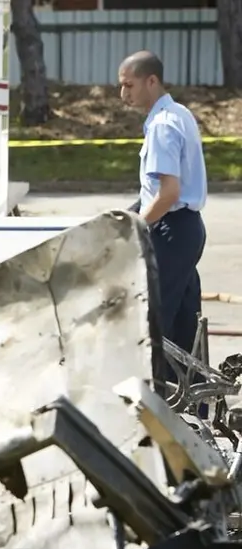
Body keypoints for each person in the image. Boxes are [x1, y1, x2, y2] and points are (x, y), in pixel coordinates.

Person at [118, 50, 207, 358]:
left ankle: (159, 401)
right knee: (184, 323)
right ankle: (196, 405)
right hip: (187, 229)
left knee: (155, 325)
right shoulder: (179, 113)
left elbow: (168, 193)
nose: (123, 94)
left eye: (129, 85)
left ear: (151, 81)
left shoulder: (161, 126)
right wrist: (127, 215)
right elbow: (155, 190)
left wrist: (137, 228)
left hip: (170, 231)